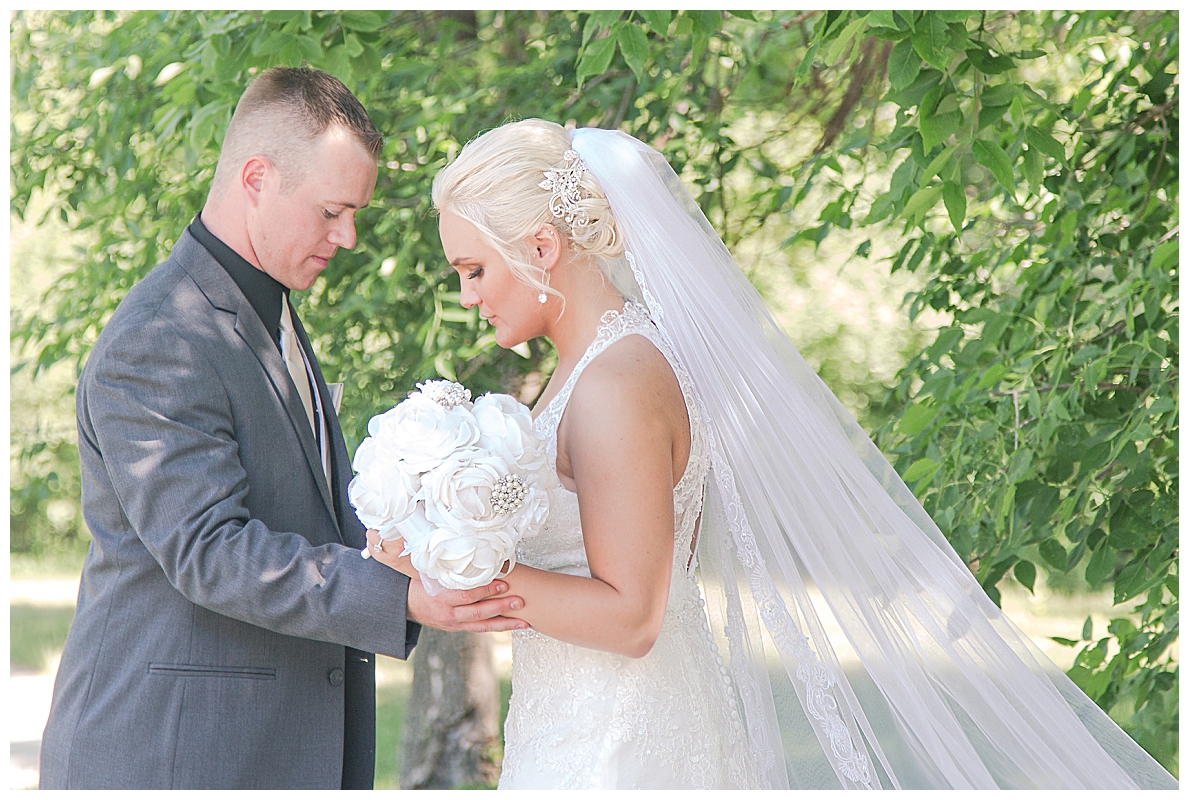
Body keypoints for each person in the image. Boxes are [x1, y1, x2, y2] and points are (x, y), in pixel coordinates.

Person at [366, 119, 1178, 790]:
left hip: (619, 743)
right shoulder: (593, 366)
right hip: (580, 719)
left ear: (542, 248)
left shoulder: (615, 382)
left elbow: (632, 615)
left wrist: (458, 572)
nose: (467, 296)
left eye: (472, 270)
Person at [38, 67, 527, 791]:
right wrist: (396, 597)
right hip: (173, 755)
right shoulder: (161, 337)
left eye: (353, 213)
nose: (350, 235)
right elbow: (208, 549)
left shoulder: (267, 310)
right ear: (257, 178)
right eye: (332, 212)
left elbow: (296, 513)